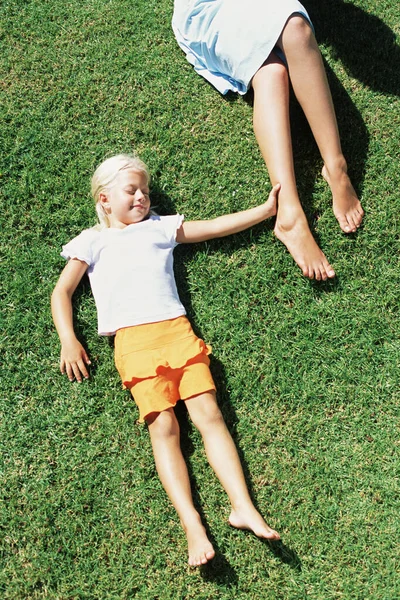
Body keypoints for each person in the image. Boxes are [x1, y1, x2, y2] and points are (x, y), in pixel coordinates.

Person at [51, 154, 281, 567]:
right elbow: (62, 292)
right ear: (104, 200)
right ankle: (193, 524)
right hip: (134, 345)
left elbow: (211, 228)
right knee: (165, 428)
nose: (141, 197)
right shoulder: (92, 241)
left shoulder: (160, 227)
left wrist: (263, 211)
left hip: (177, 332)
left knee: (210, 415)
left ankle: (242, 506)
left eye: (145, 191)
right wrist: (70, 339)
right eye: (131, 191)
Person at [172, 0, 364, 280]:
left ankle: (336, 167)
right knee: (271, 72)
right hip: (208, 8)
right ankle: (289, 211)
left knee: (296, 29)